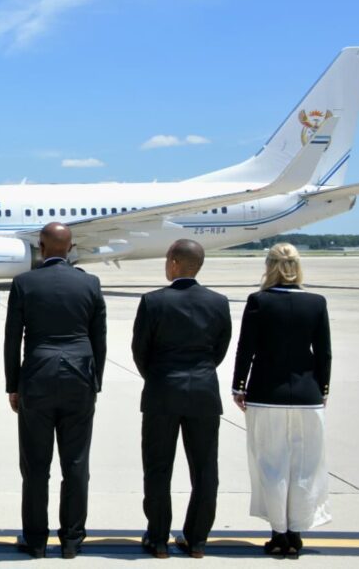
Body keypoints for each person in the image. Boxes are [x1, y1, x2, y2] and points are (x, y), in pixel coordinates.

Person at [4, 222, 105, 559]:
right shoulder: (90, 283)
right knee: (76, 464)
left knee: (35, 466)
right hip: (79, 379)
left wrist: (13, 385)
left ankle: (35, 541)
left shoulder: (24, 283)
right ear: (71, 246)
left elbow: (12, 339)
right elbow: (98, 340)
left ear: (42, 247)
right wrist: (96, 382)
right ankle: (72, 540)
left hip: (37, 377)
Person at [131, 239, 232, 559]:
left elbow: (140, 351)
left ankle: (159, 539)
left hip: (162, 390)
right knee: (205, 470)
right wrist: (199, 373)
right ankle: (197, 539)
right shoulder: (218, 302)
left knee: (158, 468)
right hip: (203, 391)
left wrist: (159, 376)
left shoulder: (153, 301)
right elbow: (220, 348)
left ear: (174, 263)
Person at [231, 243, 332, 558]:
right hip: (307, 395)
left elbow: (246, 348)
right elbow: (324, 352)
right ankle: (296, 532)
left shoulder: (259, 301)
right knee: (305, 466)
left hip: (266, 394)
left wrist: (239, 386)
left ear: (270, 266)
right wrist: (323, 388)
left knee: (271, 465)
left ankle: (278, 533)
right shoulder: (316, 303)